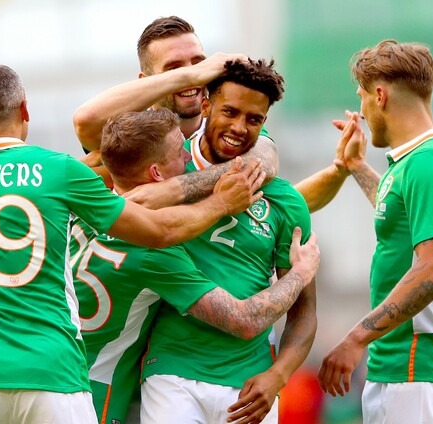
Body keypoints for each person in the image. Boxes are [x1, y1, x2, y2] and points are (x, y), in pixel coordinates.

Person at [0, 63, 265, 424]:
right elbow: (158, 229)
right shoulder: (60, 172)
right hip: (52, 373)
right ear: (25, 110)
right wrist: (221, 203)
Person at [71, 107, 321, 423]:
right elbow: (244, 320)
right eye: (180, 152)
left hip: (39, 359)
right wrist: (300, 273)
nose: (189, 158)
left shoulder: (84, 201)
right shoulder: (154, 247)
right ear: (156, 174)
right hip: (89, 387)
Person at [135, 58, 314, 424]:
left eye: (254, 119)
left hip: (250, 384)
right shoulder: (168, 175)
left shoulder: (286, 201)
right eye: (230, 112)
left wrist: (277, 376)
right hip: (172, 372)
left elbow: (304, 314)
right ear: (205, 106)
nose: (239, 128)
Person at [317, 39, 433, 424]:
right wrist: (356, 166)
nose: (361, 111)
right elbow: (399, 215)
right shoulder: (420, 162)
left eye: (361, 97)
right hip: (407, 375)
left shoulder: (430, 164)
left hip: (423, 376)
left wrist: (356, 337)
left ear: (380, 95)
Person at [72, 15, 352, 212]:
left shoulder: (228, 126)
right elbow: (86, 120)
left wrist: (173, 189)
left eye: (199, 62)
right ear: (147, 80)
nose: (195, 76)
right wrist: (191, 75)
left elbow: (267, 167)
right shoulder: (130, 134)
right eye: (174, 68)